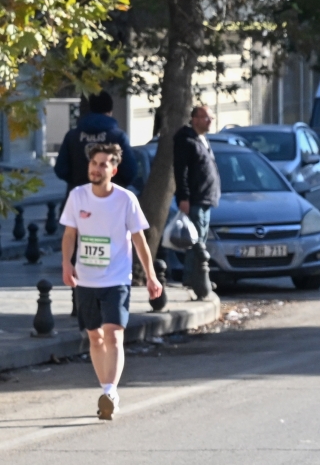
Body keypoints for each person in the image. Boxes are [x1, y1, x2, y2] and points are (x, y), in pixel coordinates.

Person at [59, 143, 163, 420]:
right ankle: (105, 386)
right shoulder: (78, 196)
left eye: (103, 164)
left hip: (117, 278)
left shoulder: (126, 200)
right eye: (94, 163)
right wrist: (66, 264)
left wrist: (151, 275)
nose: (96, 168)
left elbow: (140, 239)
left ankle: (109, 392)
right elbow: (70, 235)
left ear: (113, 170)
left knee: (114, 334)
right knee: (95, 336)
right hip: (86, 280)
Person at [173, 105, 220, 299]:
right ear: (194, 119)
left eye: (211, 118)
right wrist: (183, 197)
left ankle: (199, 277)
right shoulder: (186, 140)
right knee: (196, 242)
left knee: (200, 241)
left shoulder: (202, 139)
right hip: (195, 199)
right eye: (205, 117)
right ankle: (192, 279)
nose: (209, 121)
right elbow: (181, 171)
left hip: (205, 199)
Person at [54, 91, 135, 190]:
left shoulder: (72, 136)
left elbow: (61, 170)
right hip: (110, 196)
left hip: (79, 196)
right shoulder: (118, 137)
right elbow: (130, 172)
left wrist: (77, 181)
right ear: (110, 111)